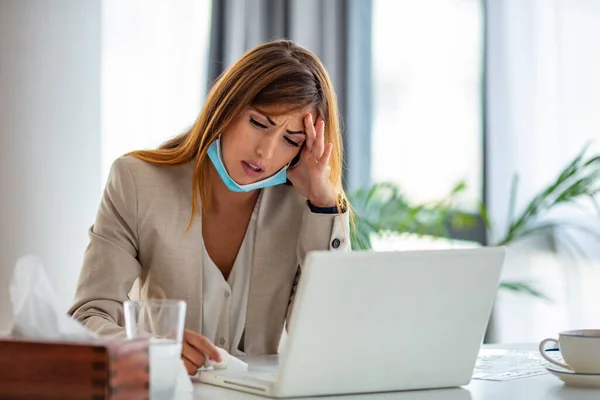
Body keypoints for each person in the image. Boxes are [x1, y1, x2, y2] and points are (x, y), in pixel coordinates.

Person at [68, 39, 351, 376]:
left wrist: (323, 206)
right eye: (259, 123)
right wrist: (154, 352)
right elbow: (87, 317)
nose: (266, 152)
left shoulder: (304, 208)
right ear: (227, 107)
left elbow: (328, 337)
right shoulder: (137, 183)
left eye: (291, 140)